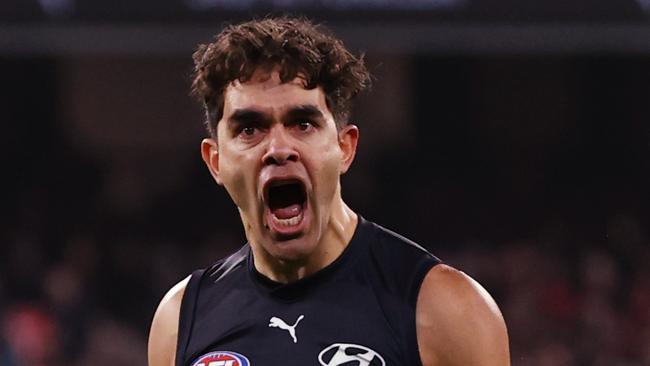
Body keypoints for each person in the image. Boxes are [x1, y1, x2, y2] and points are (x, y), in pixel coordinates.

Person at [148, 16, 509, 366]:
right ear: (215, 162)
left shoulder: (444, 309)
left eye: (302, 123)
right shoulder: (180, 320)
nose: (277, 148)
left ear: (345, 147)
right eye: (249, 129)